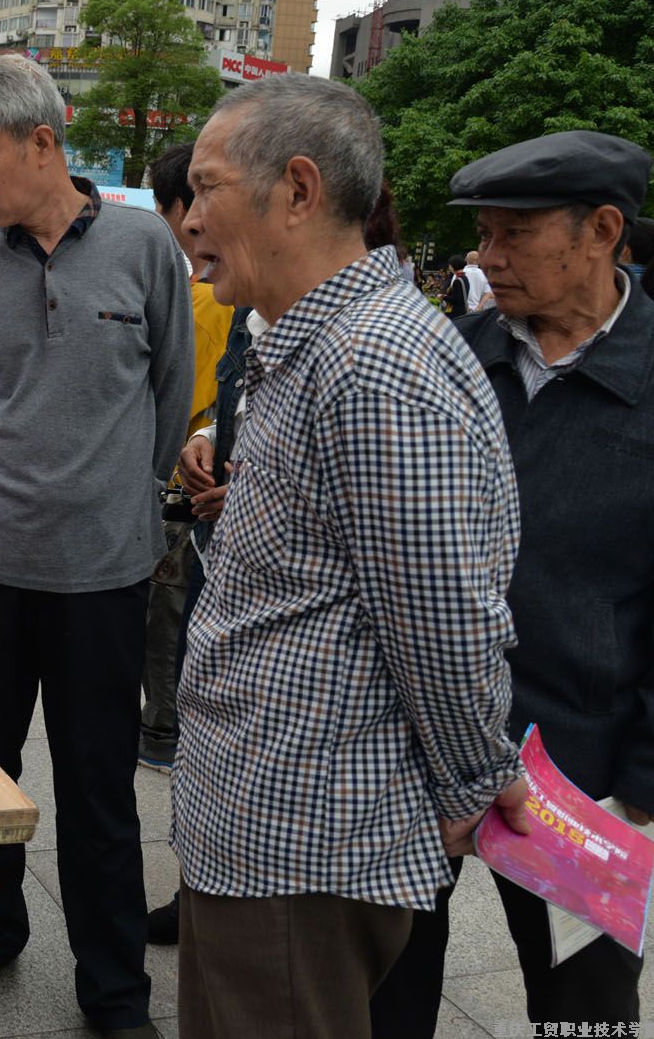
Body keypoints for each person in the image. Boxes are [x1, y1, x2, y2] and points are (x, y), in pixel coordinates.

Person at [171, 73, 528, 1039]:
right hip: (256, 819)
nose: (189, 218)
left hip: (305, 845)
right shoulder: (309, 340)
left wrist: (469, 784)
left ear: (298, 190)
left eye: (205, 189)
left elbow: (443, 620)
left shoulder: (376, 365)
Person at [370, 130, 654, 1037]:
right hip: (430, 742)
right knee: (388, 982)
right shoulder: (450, 355)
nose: (487, 262)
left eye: (513, 238)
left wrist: (649, 769)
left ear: (604, 230)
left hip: (582, 761)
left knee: (582, 1007)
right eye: (482, 237)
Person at [0, 54, 191, 1039]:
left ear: (43, 143)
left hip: (101, 578)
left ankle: (112, 987)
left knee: (96, 789)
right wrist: (11, 491)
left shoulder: (140, 249)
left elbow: (168, 391)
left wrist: (112, 498)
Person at [137, 141, 234, 778]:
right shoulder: (223, 294)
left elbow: (181, 389)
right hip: (206, 468)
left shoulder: (202, 297)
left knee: (168, 612)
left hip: (185, 479)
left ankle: (161, 730)